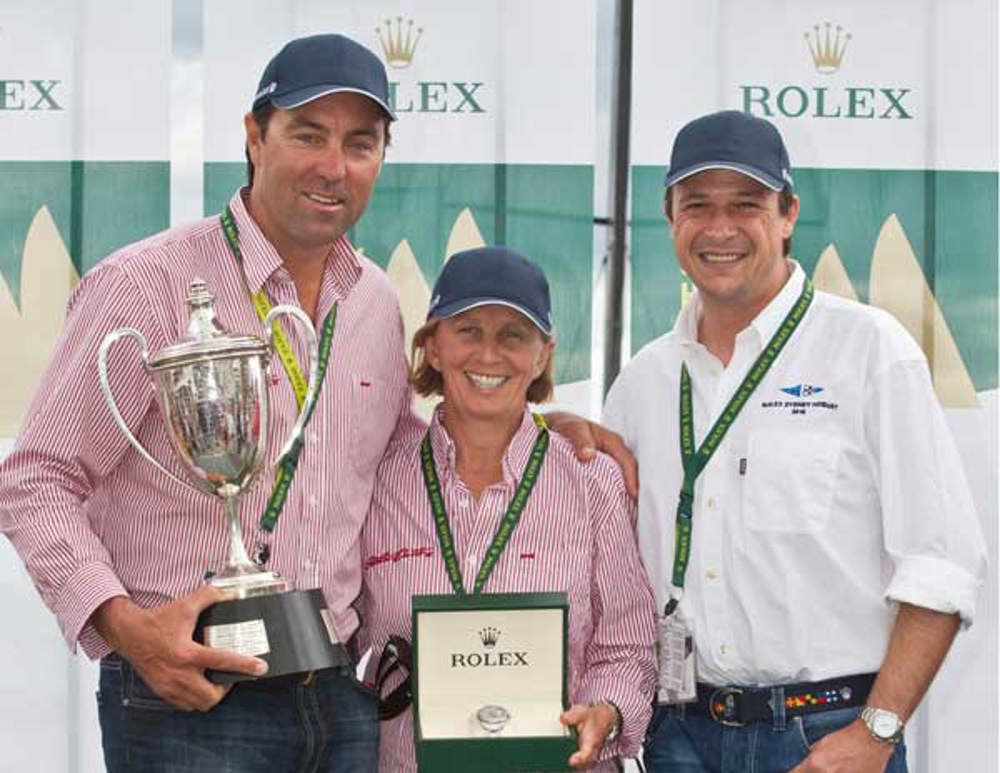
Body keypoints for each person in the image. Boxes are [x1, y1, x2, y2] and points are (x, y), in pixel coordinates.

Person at [0, 33, 633, 772]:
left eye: (359, 144)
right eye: (308, 134)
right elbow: (35, 477)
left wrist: (528, 423)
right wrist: (125, 626)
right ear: (253, 136)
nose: (333, 166)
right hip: (193, 689)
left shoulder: (370, 303)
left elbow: (399, 450)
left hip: (338, 693)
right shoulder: (147, 284)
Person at [602, 110, 987, 773]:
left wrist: (876, 732)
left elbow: (943, 560)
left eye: (746, 204)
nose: (719, 228)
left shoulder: (869, 350)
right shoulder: (643, 380)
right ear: (670, 218)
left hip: (827, 736)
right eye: (697, 205)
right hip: (681, 737)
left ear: (787, 213)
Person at [358, 246, 657, 772]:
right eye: (468, 330)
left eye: (513, 335)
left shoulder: (592, 482)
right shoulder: (377, 479)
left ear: (543, 355)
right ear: (431, 347)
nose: (489, 355)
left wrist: (606, 710)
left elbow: (627, 644)